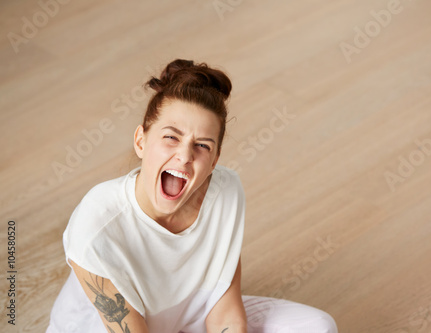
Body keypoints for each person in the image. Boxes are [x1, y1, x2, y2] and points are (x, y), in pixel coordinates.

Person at [46, 59, 338, 333]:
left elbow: (224, 310)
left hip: (185, 320)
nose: (185, 156)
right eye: (171, 137)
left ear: (215, 160)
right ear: (141, 140)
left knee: (318, 326)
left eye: (202, 145)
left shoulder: (226, 192)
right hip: (98, 328)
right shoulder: (97, 221)